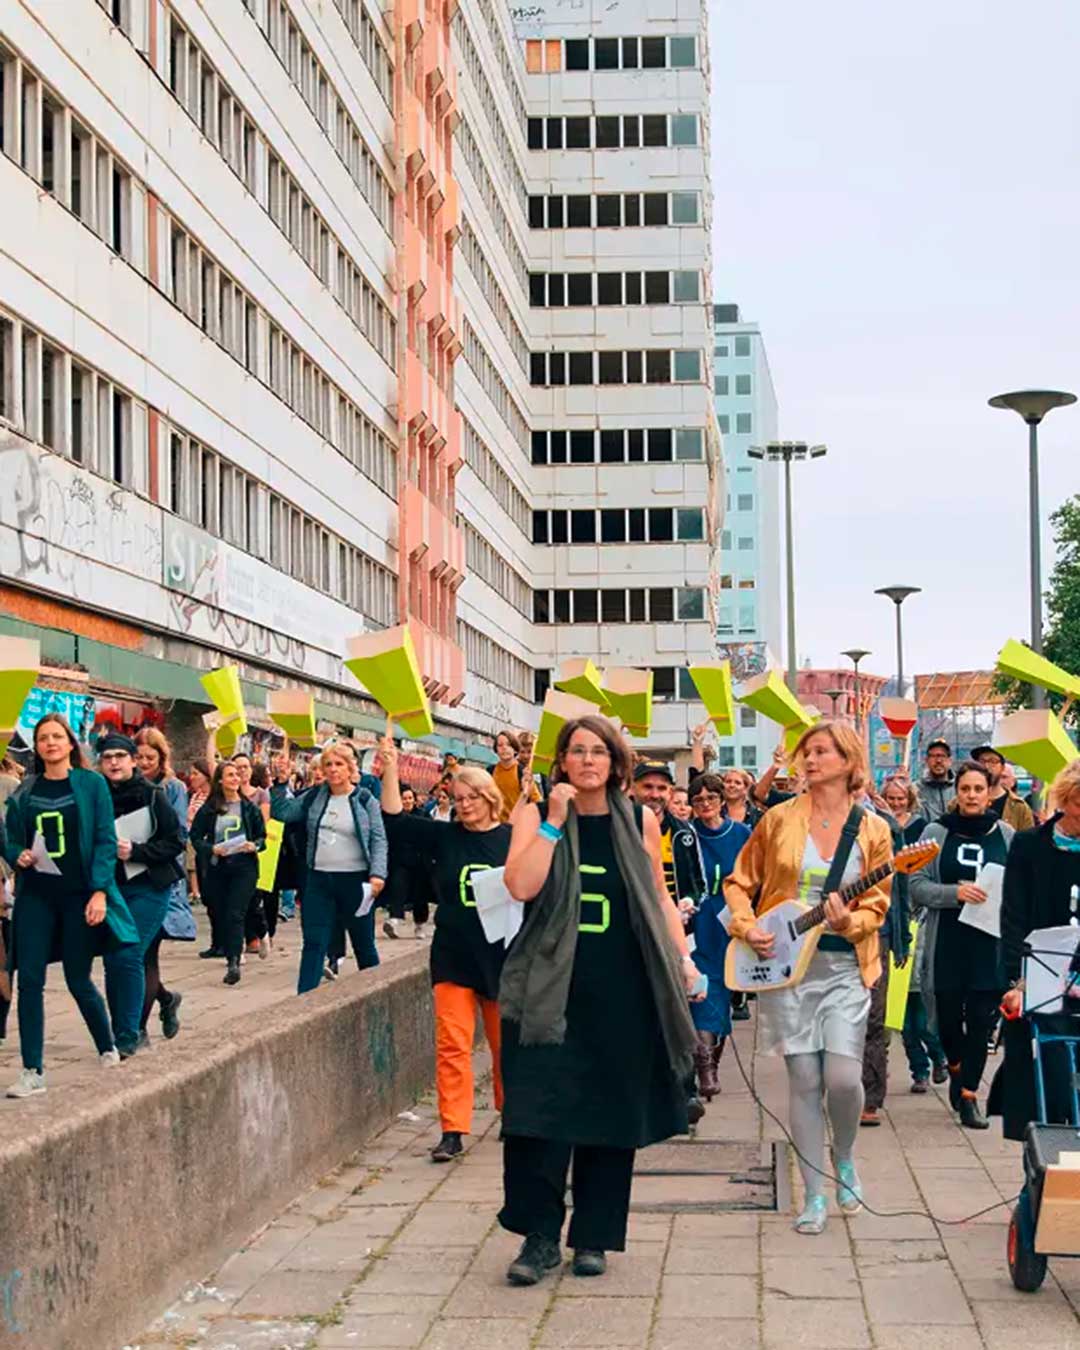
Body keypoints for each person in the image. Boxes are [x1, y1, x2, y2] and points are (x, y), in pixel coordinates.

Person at [498, 716, 701, 1285]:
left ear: (615, 763)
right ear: (561, 761)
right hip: (547, 990)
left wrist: (683, 959)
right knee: (539, 1115)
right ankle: (538, 1239)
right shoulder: (535, 814)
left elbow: (658, 894)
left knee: (611, 1116)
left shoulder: (640, 818)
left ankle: (593, 1237)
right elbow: (521, 885)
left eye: (599, 752)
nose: (588, 761)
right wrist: (555, 824)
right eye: (577, 751)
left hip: (621, 987)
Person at [724, 721, 893, 1235]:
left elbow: (879, 904)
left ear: (848, 761)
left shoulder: (873, 828)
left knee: (843, 1079)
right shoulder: (778, 819)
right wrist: (749, 926)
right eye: (806, 752)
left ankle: (844, 1157)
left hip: (844, 965)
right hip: (788, 969)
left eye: (821, 752)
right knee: (803, 1080)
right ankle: (814, 1191)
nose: (810, 760)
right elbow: (739, 882)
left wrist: (851, 920)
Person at [380, 743, 511, 1162]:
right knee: (452, 1043)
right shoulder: (444, 836)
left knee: (504, 1045)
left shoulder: (512, 840)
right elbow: (394, 820)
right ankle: (453, 1128)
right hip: (454, 953)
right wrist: (390, 767)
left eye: (472, 797)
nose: (465, 805)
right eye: (457, 799)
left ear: (490, 797)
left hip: (503, 955)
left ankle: (513, 1114)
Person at [3, 714, 139, 1098]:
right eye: (43, 738)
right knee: (29, 980)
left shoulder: (91, 785)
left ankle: (107, 1046)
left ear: (69, 743)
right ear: (38, 747)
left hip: (79, 896)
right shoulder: (25, 791)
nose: (50, 743)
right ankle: (33, 1070)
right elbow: (9, 838)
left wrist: (100, 891)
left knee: (78, 978)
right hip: (36, 897)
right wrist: (19, 855)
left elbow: (103, 840)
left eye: (56, 736)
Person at [910, 760, 1014, 1129]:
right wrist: (954, 893)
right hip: (947, 942)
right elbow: (915, 885)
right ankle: (955, 1068)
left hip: (990, 946)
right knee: (949, 1023)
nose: (971, 796)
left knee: (983, 1023)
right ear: (957, 792)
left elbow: (1017, 888)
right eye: (965, 789)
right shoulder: (936, 833)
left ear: (989, 793)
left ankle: (970, 1094)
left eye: (978, 789)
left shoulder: (1005, 834)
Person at [989, 758, 1080, 1138]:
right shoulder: (1029, 846)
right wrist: (1016, 981)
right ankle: (1039, 1185)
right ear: (1065, 800)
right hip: (1039, 976)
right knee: (1046, 1088)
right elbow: (1013, 916)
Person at [272, 741, 386, 993]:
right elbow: (283, 813)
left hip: (355, 881)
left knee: (363, 944)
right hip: (319, 880)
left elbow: (378, 839)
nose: (333, 770)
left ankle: (378, 993)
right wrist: (281, 783)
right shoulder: (315, 795)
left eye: (339, 764)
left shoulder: (365, 799)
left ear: (350, 768)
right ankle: (305, 1000)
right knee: (314, 942)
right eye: (328, 765)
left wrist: (378, 874)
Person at [98, 734, 184, 1057]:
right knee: (111, 960)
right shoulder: (96, 795)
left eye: (121, 756)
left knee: (129, 954)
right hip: (109, 888)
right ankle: (118, 1031)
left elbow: (175, 842)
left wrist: (136, 851)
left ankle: (128, 1036)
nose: (115, 763)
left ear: (133, 760)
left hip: (149, 886)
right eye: (108, 757)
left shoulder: (152, 795)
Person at [632, 759, 708, 1120]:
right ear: (633, 789)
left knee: (681, 1011)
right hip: (635, 935)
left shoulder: (684, 833)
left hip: (680, 930)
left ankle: (686, 1092)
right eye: (648, 787)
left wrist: (689, 903)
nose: (655, 795)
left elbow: (699, 881)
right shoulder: (624, 826)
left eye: (662, 788)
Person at [686, 774, 751, 1100]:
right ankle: (705, 1070)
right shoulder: (688, 835)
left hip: (732, 919)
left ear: (721, 800)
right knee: (703, 990)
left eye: (710, 799)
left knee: (724, 996)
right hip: (701, 922)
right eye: (698, 801)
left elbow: (755, 876)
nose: (705, 806)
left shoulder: (740, 834)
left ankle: (709, 1062)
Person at [880, 778, 945, 1092]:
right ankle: (919, 1070)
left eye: (900, 798)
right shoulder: (878, 825)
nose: (895, 803)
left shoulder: (923, 828)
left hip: (918, 919)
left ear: (910, 799)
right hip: (890, 918)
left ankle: (939, 1055)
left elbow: (926, 872)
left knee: (921, 1008)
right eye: (890, 798)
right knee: (900, 1013)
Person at [135, 728, 193, 1042]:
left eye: (149, 757)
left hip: (158, 879)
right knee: (132, 954)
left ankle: (139, 1028)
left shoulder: (172, 788)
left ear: (161, 759)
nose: (143, 763)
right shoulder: (122, 786)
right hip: (127, 878)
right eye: (139, 756)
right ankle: (167, 1000)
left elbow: (180, 835)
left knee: (146, 954)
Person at [190, 761, 266, 985]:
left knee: (236, 912)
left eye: (237, 775)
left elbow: (262, 837)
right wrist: (210, 848)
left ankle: (233, 961)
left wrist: (255, 845)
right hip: (219, 866)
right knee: (222, 910)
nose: (236, 778)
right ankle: (254, 936)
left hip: (244, 867)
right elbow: (195, 837)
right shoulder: (210, 808)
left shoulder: (249, 808)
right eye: (230, 775)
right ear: (220, 780)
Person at [232, 752, 272, 959]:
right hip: (229, 856)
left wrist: (254, 843)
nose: (241, 771)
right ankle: (237, 950)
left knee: (251, 902)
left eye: (245, 766)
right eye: (237, 767)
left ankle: (261, 934)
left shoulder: (260, 795)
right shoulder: (226, 795)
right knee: (233, 905)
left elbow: (263, 827)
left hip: (252, 854)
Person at [382, 783, 432, 941]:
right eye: (404, 798)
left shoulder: (423, 815)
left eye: (410, 798)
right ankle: (394, 920)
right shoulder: (393, 817)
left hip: (421, 862)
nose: (408, 801)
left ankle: (420, 925)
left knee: (420, 894)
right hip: (399, 860)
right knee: (397, 888)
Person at [968, 746, 1035, 831]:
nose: (987, 766)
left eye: (993, 761)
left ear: (1002, 768)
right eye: (982, 761)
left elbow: (1029, 841)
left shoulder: (1019, 807)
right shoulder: (962, 802)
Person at [492, 730, 540, 822]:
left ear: (515, 749)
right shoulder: (490, 771)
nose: (504, 748)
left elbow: (537, 801)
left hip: (517, 827)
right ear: (496, 750)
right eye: (500, 745)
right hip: (496, 827)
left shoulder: (522, 772)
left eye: (508, 745)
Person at [186, 759, 211, 909]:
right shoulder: (195, 795)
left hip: (205, 835)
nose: (192, 777)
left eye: (196, 774)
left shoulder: (212, 796)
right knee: (192, 864)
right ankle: (195, 892)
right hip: (192, 832)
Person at [917, 740, 955, 822]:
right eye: (933, 756)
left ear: (950, 761)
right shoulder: (916, 790)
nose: (938, 761)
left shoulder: (959, 788)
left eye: (942, 756)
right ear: (926, 760)